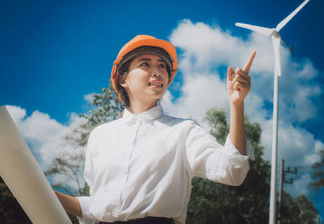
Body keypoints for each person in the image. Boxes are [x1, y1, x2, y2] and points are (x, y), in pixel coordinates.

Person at [55, 35, 256, 224]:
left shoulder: (183, 131)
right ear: (123, 78)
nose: (158, 71)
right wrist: (43, 192)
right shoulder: (100, 136)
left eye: (162, 66)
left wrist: (236, 105)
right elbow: (99, 204)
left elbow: (233, 171)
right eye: (145, 64)